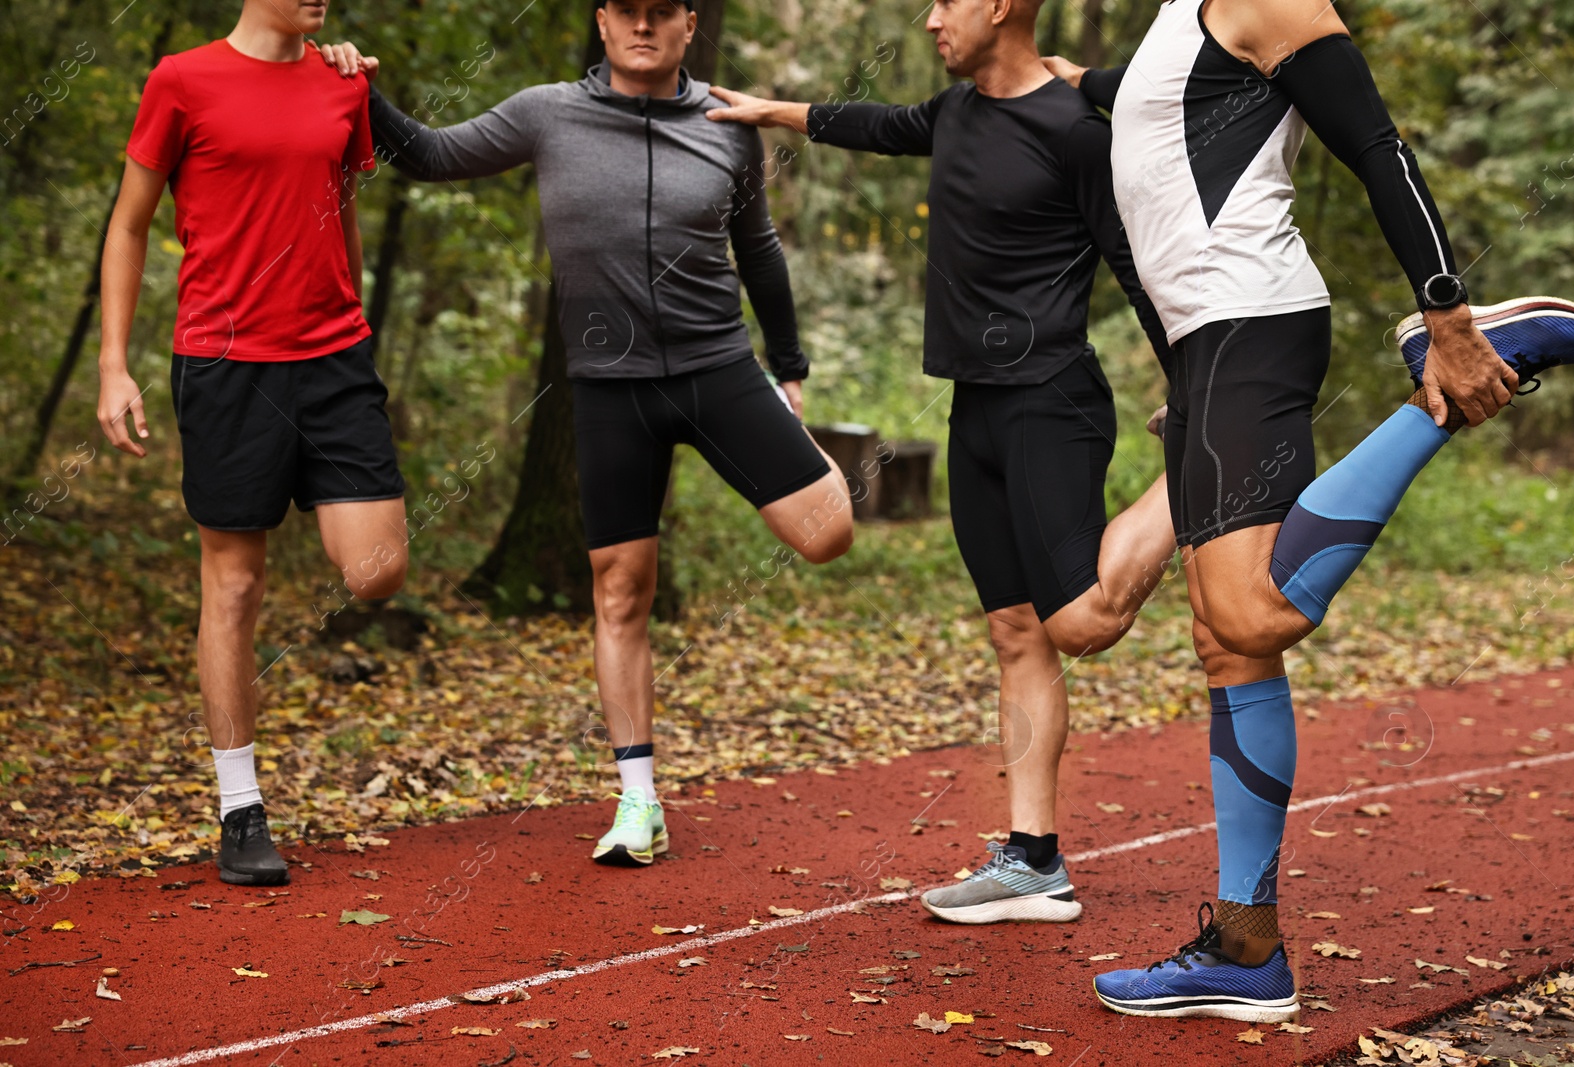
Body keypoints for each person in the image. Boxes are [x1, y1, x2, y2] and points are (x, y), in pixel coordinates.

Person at [1041, 0, 1574, 1022]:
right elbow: (1158, 161)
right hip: (1211, 347)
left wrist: (1448, 313)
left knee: (1252, 613)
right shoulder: (1178, 19)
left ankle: (1495, 358)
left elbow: (1374, 144)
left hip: (1248, 319)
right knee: (1226, 641)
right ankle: (1246, 949)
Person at [318, 0, 854, 867]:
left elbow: (758, 249)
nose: (644, 28)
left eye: (662, 14)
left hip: (720, 371)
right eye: (628, 12)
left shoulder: (727, 125)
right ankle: (638, 800)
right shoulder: (546, 112)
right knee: (620, 592)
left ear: (687, 25)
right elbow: (429, 153)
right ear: (603, 22)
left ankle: (773, 408)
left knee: (828, 532)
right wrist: (358, 85)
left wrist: (785, 364)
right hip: (610, 390)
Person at [707, 0, 1180, 924]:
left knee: (1079, 620)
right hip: (977, 409)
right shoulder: (956, 109)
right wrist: (770, 112)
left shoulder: (1076, 134)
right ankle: (1034, 860)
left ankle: (1203, 474)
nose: (929, 20)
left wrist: (1196, 388)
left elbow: (1135, 265)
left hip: (1053, 403)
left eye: (946, 3)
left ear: (999, 7)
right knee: (1015, 630)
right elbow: (875, 126)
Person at [98, 0, 409, 887]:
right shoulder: (181, 80)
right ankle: (241, 808)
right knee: (234, 580)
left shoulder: (343, 81)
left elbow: (342, 207)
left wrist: (357, 321)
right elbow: (128, 223)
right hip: (226, 363)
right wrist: (114, 367)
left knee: (376, 569)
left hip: (335, 355)